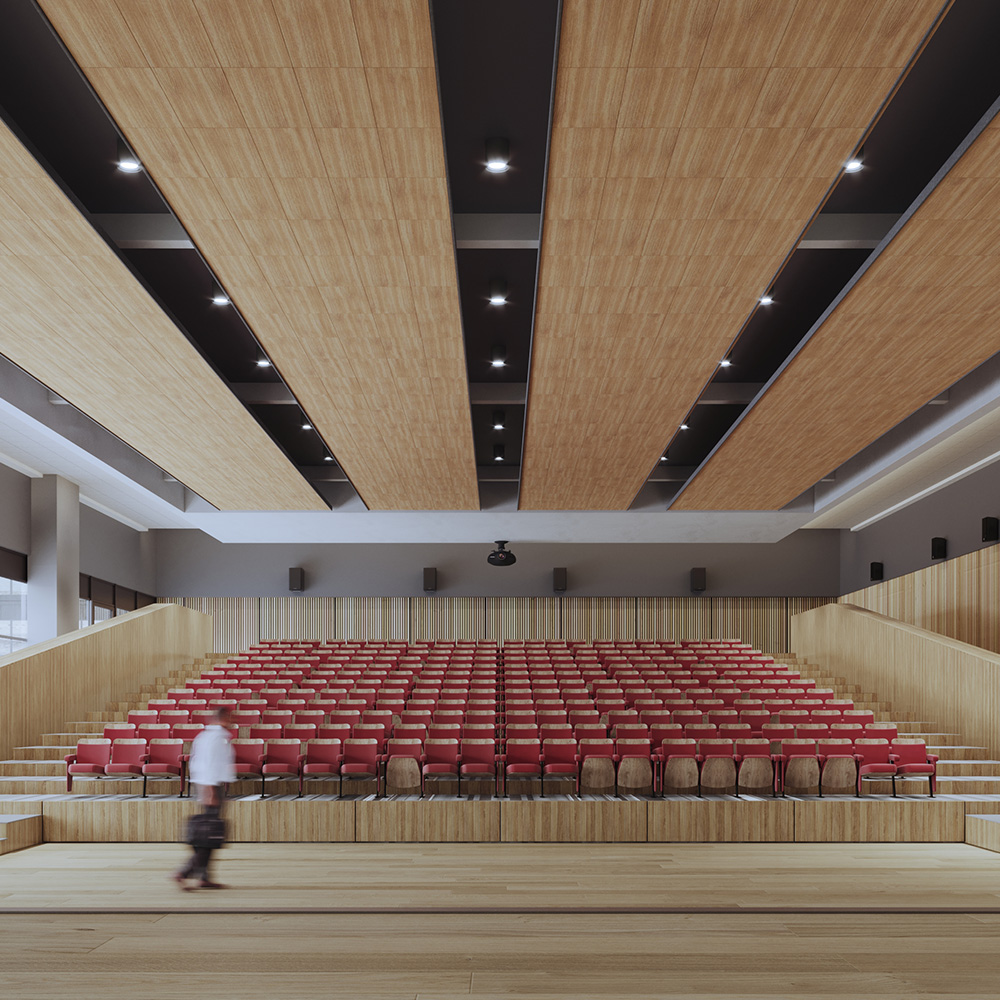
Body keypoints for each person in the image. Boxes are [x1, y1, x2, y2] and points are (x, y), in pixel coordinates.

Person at [174, 706, 235, 890]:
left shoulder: (204, 736)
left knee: (209, 833)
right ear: (223, 718)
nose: (232, 721)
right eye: (230, 717)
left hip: (206, 785)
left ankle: (204, 877)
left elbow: (196, 763)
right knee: (209, 834)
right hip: (211, 786)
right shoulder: (216, 738)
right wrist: (210, 791)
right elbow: (207, 764)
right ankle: (185, 872)